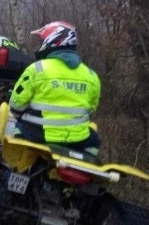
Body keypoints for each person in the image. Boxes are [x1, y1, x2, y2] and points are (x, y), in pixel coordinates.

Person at [8, 21, 102, 155]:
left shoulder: (37, 69)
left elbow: (16, 105)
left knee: (15, 128)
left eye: (42, 41)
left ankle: (15, 174)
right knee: (94, 139)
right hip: (77, 140)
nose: (40, 45)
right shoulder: (92, 76)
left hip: (39, 136)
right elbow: (91, 110)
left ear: (52, 40)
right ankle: (90, 164)